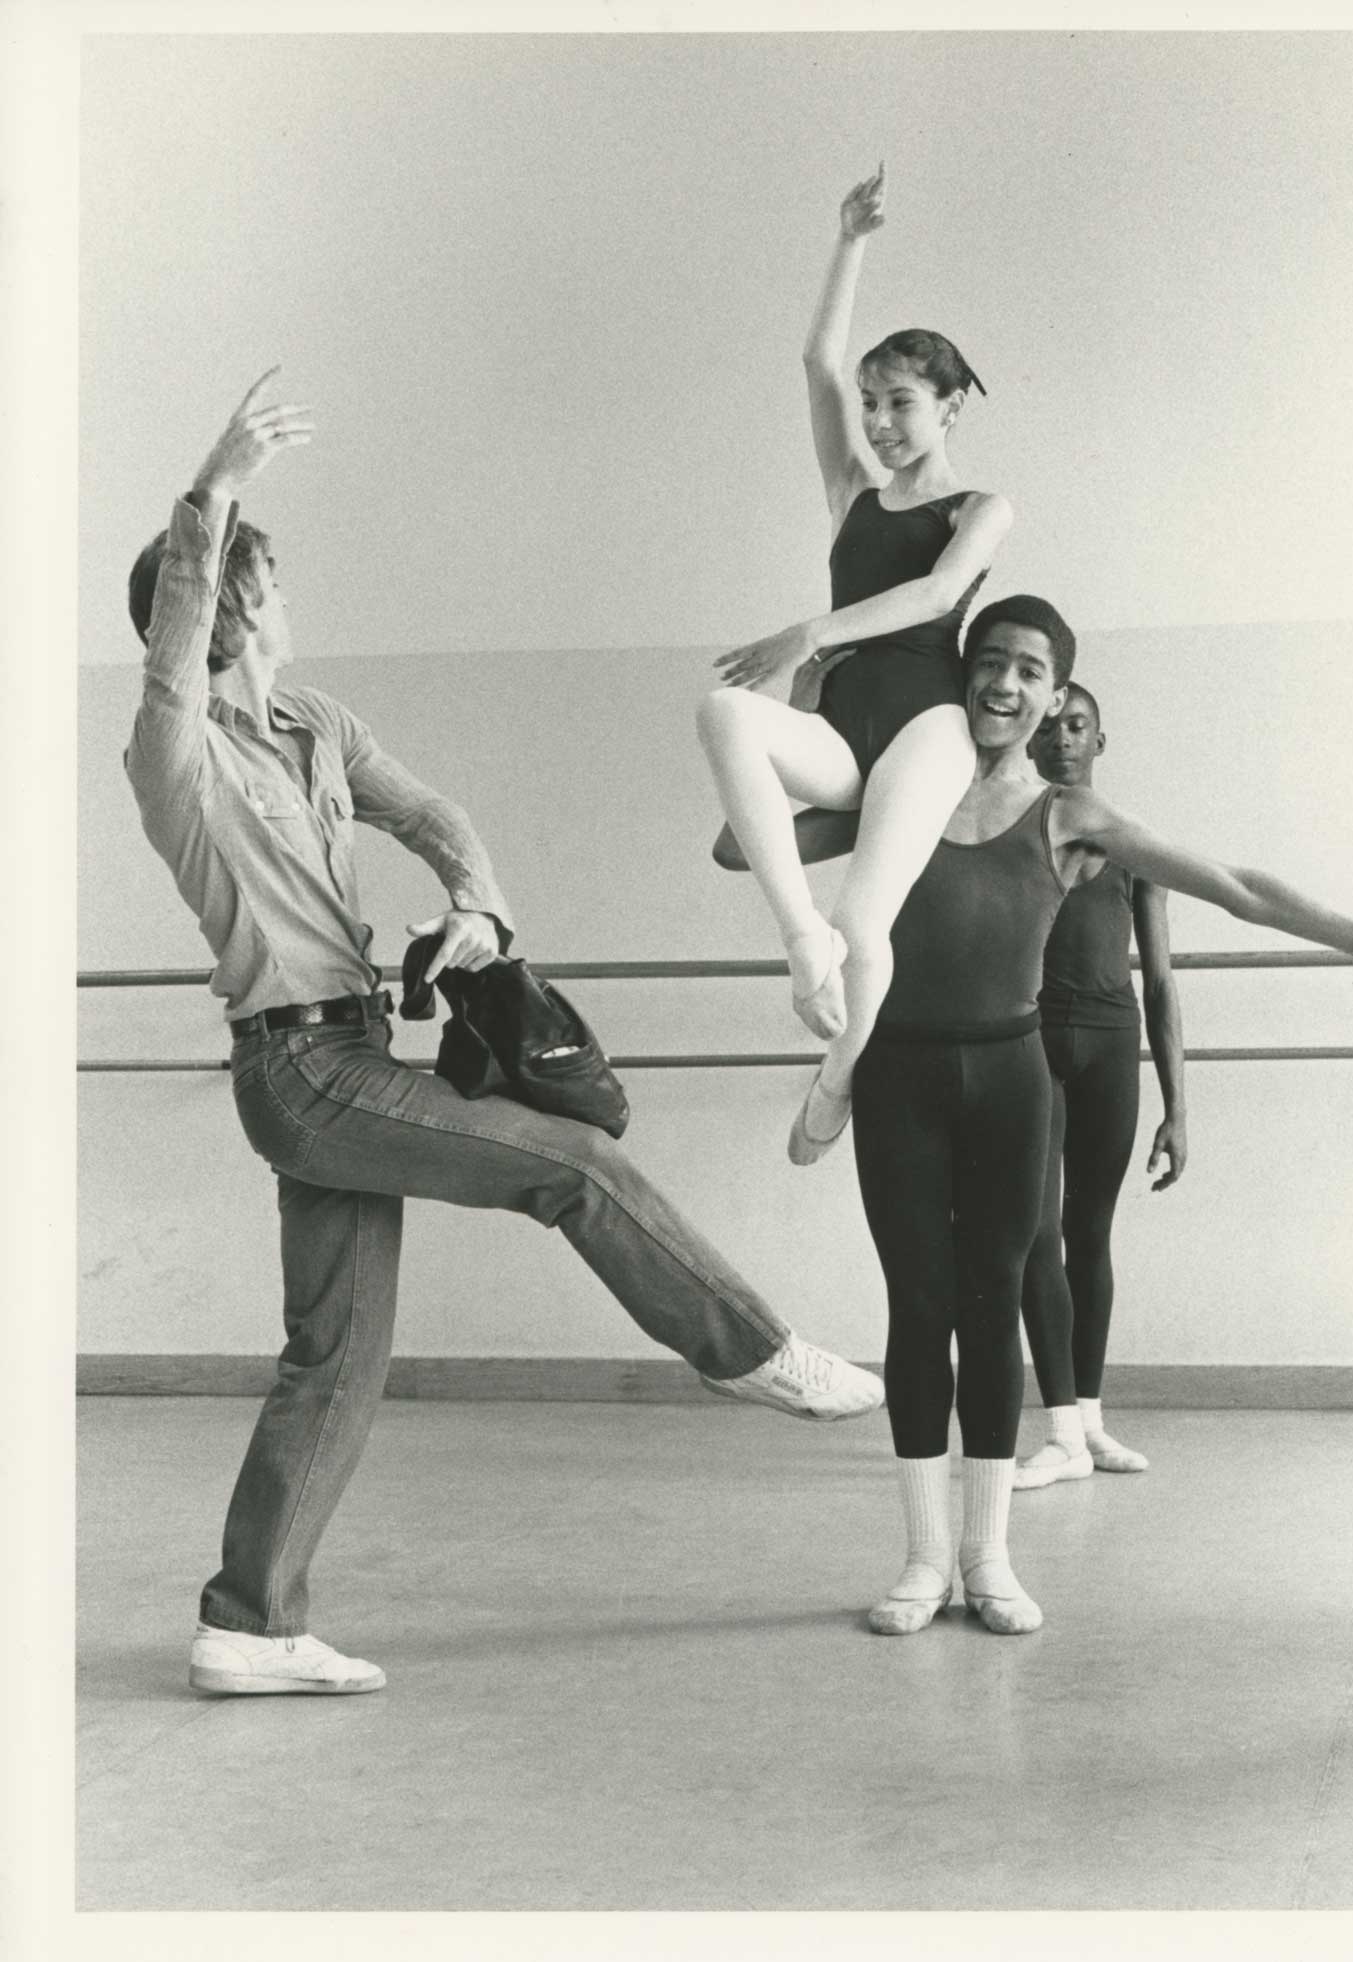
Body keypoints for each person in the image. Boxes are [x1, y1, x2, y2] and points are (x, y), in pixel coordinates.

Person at [124, 371, 884, 1700]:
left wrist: (476, 901)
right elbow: (178, 626)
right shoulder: (173, 750)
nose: (288, 608)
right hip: (297, 1069)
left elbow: (432, 812)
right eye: (274, 589)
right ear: (237, 605)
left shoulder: (316, 724)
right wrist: (223, 479)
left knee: (337, 1350)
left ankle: (247, 1621)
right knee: (569, 1166)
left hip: (355, 1048)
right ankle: (751, 1347)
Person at [726, 594, 1353, 1638]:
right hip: (898, 1076)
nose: (1003, 683)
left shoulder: (1069, 820)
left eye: (1029, 671)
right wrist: (814, 708)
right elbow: (735, 842)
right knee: (918, 1306)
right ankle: (919, 1559)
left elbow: (1238, 888)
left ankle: (986, 1559)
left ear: (1052, 696)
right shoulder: (895, 793)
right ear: (964, 676)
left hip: (1010, 1078)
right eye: (989, 661)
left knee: (992, 1303)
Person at [695, 164, 1013, 1168]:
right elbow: (815, 360)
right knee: (725, 714)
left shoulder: (979, 509)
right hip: (846, 727)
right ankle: (799, 945)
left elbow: (932, 598)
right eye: (873, 403)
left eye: (902, 403)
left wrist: (809, 632)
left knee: (864, 919)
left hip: (928, 724)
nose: (877, 421)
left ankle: (836, 1074)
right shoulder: (852, 495)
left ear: (951, 406)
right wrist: (849, 239)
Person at [1013, 685, 1187, 1486]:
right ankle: (1057, 1433)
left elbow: (1159, 981)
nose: (1060, 740)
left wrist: (1178, 1109)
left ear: (1100, 740)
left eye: (1075, 726)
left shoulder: (1131, 847)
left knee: (1091, 1233)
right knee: (1035, 1235)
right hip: (1032, 1043)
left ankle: (1088, 1422)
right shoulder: (1009, 832)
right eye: (1047, 727)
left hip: (1112, 1046)